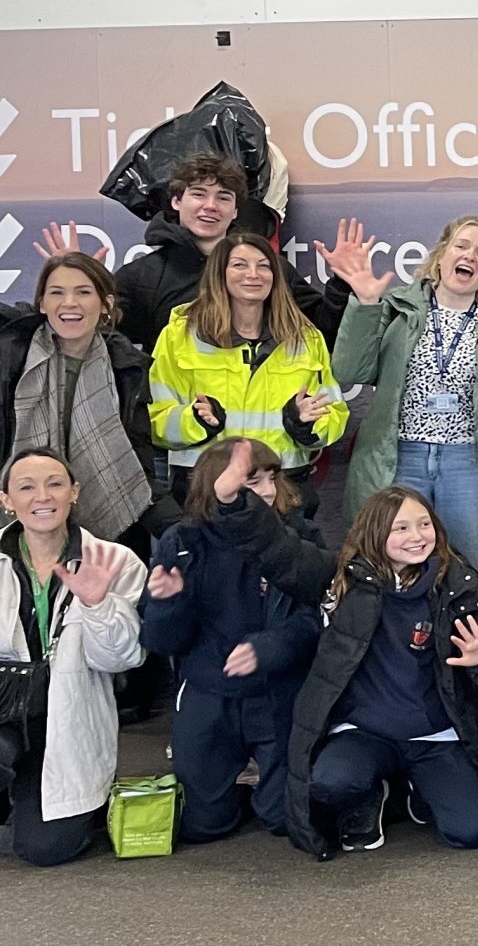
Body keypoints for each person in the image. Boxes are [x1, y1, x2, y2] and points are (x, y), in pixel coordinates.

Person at [202, 443, 478, 859]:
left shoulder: (453, 583)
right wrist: (232, 502)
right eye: (400, 528)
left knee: (472, 831)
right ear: (375, 534)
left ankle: (416, 792)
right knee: (331, 780)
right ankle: (368, 793)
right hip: (365, 731)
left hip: (435, 735)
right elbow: (279, 552)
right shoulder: (341, 580)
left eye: (423, 525)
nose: (415, 536)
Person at [323, 216, 478, 594]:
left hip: (468, 463)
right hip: (399, 456)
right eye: (462, 245)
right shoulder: (395, 308)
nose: (469, 255)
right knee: (389, 568)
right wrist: (366, 304)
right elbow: (348, 369)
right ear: (441, 255)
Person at [140, 438, 320, 843]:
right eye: (253, 482)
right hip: (210, 691)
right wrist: (169, 602)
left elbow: (318, 621)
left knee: (283, 820)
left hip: (278, 690)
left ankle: (270, 786)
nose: (270, 491)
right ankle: (232, 780)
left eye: (272, 478)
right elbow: (159, 640)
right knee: (205, 826)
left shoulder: (300, 535)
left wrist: (269, 648)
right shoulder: (182, 543)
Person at [0, 449, 146, 865]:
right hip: (5, 711)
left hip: (66, 721)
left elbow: (123, 658)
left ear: (74, 492)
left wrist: (98, 604)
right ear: (6, 499)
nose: (41, 497)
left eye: (55, 484)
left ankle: (72, 803)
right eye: (25, 487)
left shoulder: (115, 561)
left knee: (44, 850)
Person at [0, 250, 173, 552]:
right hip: (15, 529)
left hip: (109, 538)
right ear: (41, 303)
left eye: (83, 292)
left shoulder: (127, 368)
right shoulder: (13, 355)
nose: (69, 303)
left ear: (105, 304)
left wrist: (184, 532)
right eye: (56, 293)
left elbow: (136, 464)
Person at [88, 151, 341, 357]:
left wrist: (342, 283)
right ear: (176, 201)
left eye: (223, 197)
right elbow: (94, 341)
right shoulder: (143, 276)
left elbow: (323, 332)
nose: (210, 206)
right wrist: (80, 284)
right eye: (198, 193)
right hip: (181, 415)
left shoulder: (268, 270)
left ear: (235, 211)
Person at [148, 233, 347, 484]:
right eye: (240, 264)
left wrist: (305, 423)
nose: (253, 274)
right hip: (205, 484)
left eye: (263, 266)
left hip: (281, 484)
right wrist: (195, 420)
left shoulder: (305, 337)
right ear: (219, 273)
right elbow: (155, 419)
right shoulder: (180, 335)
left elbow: (335, 417)